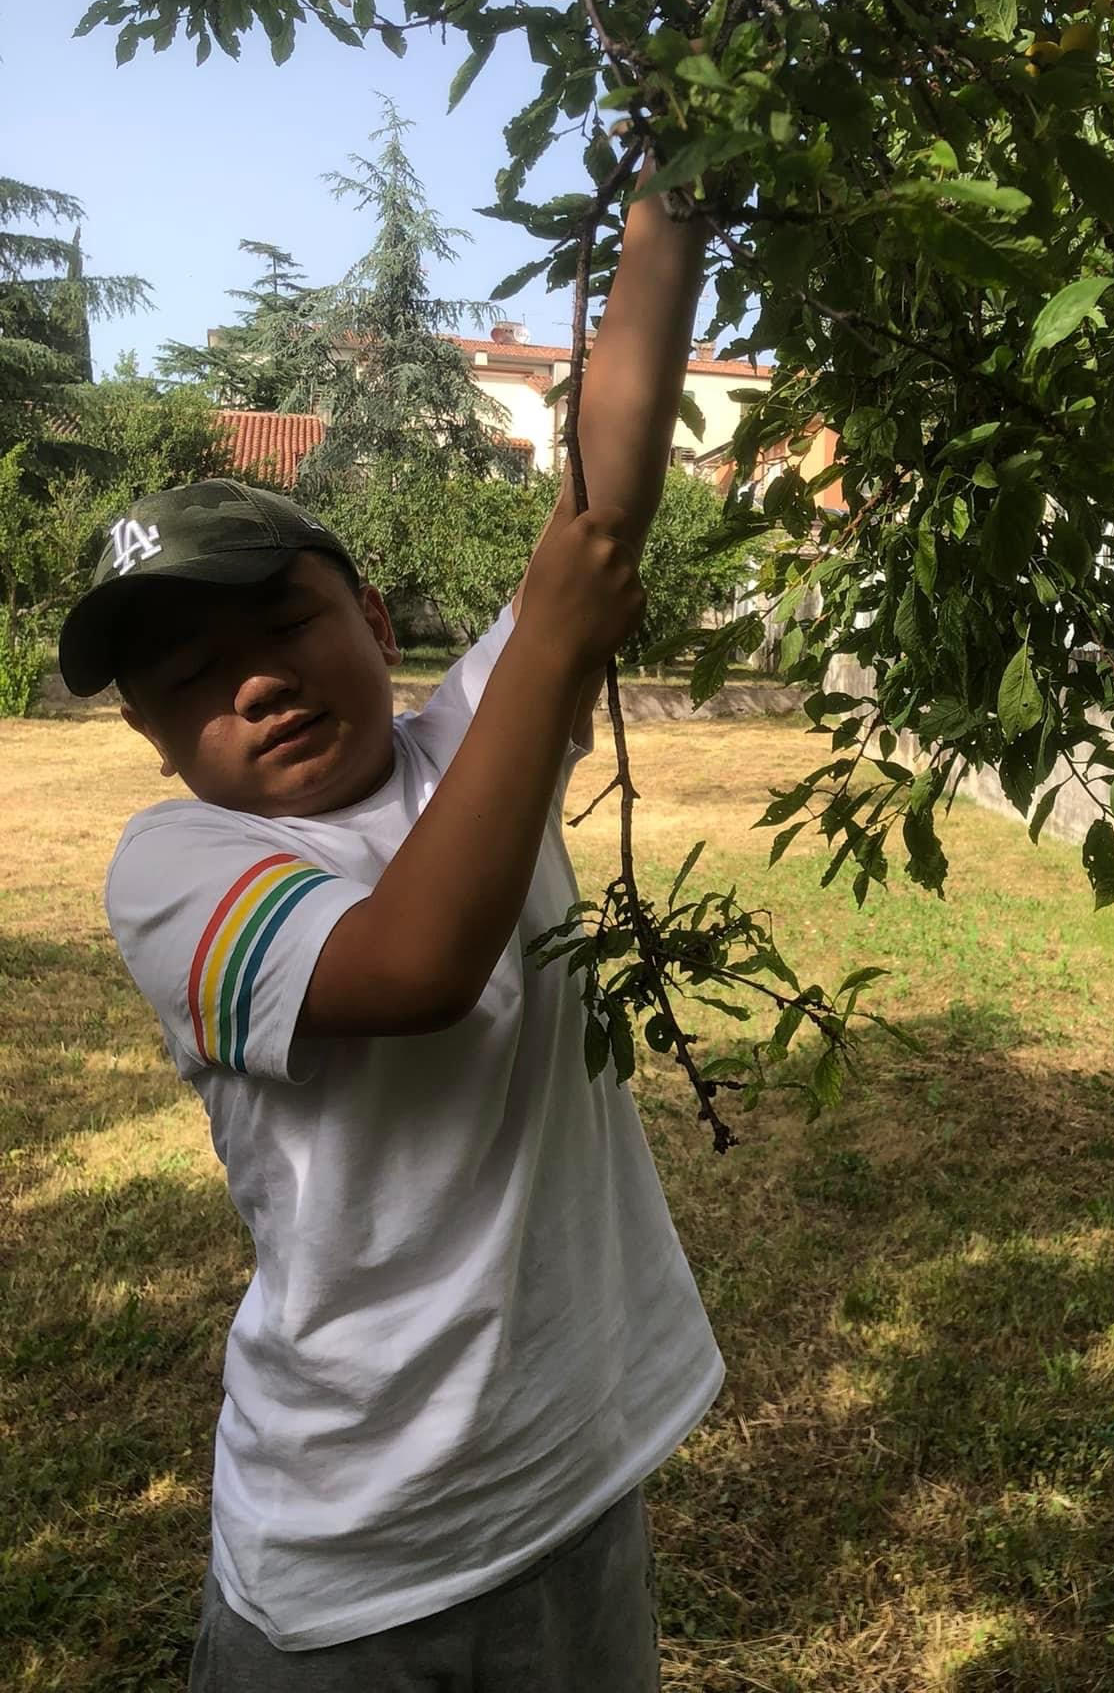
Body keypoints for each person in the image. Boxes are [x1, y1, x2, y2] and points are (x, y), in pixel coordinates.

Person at [56, 168, 719, 1691]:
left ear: (370, 614)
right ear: (157, 744)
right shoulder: (177, 869)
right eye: (189, 682)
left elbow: (601, 498)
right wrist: (549, 643)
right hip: (359, 1568)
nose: (254, 687)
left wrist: (672, 200)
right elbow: (416, 968)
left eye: (279, 628)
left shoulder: (460, 746)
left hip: (571, 1483)